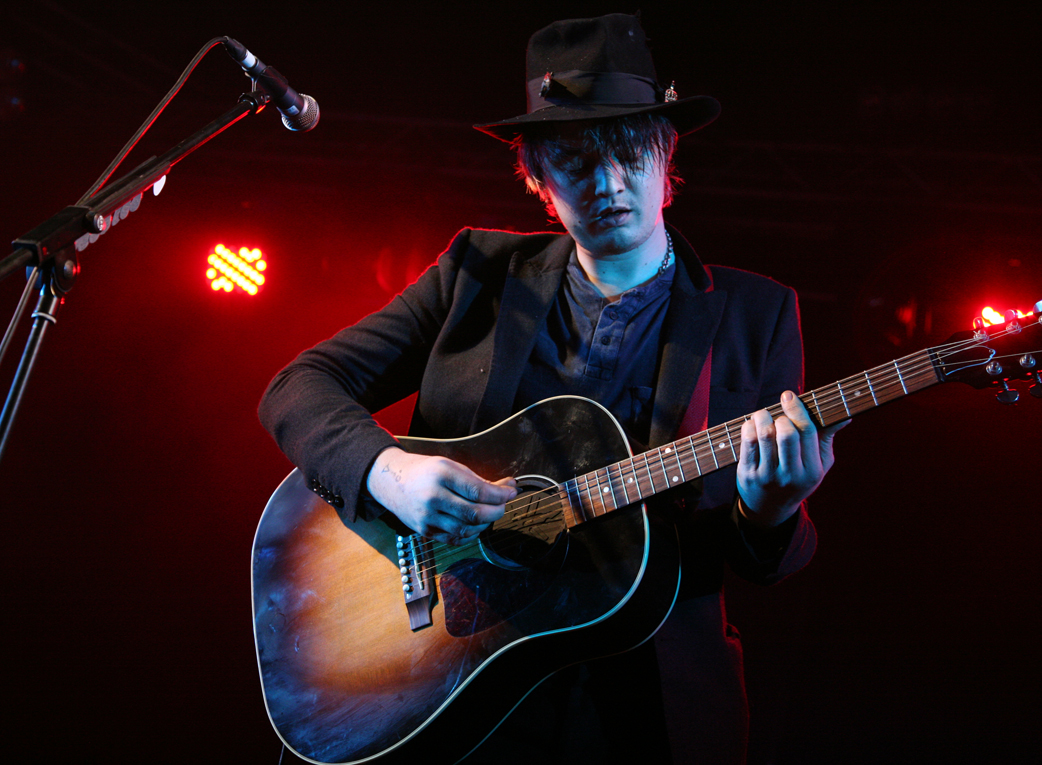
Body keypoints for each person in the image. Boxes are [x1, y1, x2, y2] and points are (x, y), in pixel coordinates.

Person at [259, 13, 847, 765]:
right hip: (443, 686)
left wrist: (769, 510)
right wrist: (388, 473)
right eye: (573, 162)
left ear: (667, 154)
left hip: (643, 715)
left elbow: (761, 559)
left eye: (629, 151)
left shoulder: (756, 315)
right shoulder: (475, 273)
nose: (606, 184)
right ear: (537, 179)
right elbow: (298, 384)